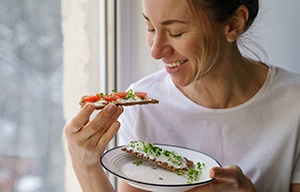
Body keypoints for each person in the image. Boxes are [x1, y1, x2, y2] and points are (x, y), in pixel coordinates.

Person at [64, 0, 300, 191]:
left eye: (176, 33)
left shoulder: (294, 105)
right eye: (150, 28)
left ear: (233, 25)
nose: (156, 51)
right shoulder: (143, 111)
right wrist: (85, 165)